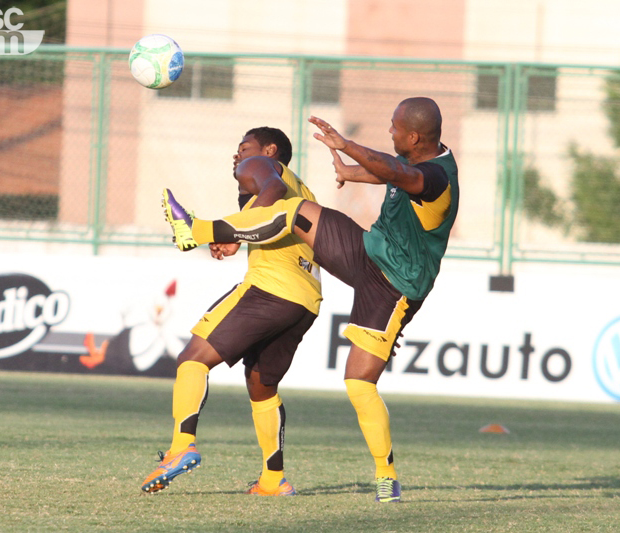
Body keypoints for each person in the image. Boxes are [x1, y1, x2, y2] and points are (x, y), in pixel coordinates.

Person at [162, 97, 459, 503]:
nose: (389, 132)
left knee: (359, 382)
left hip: (394, 286)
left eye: (393, 128)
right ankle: (196, 229)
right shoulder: (419, 163)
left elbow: (396, 172)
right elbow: (392, 175)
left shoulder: (437, 179)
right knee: (296, 212)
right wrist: (351, 173)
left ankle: (387, 476)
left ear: (414, 136)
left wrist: (348, 145)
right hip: (366, 253)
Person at [143, 127, 322, 497]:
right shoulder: (303, 189)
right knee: (262, 385)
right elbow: (275, 217)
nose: (237, 156)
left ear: (269, 151)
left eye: (244, 148)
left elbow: (269, 193)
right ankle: (273, 480)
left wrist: (220, 231)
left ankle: (181, 448)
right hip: (306, 299)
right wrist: (236, 236)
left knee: (192, 358)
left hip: (270, 288)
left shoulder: (262, 168)